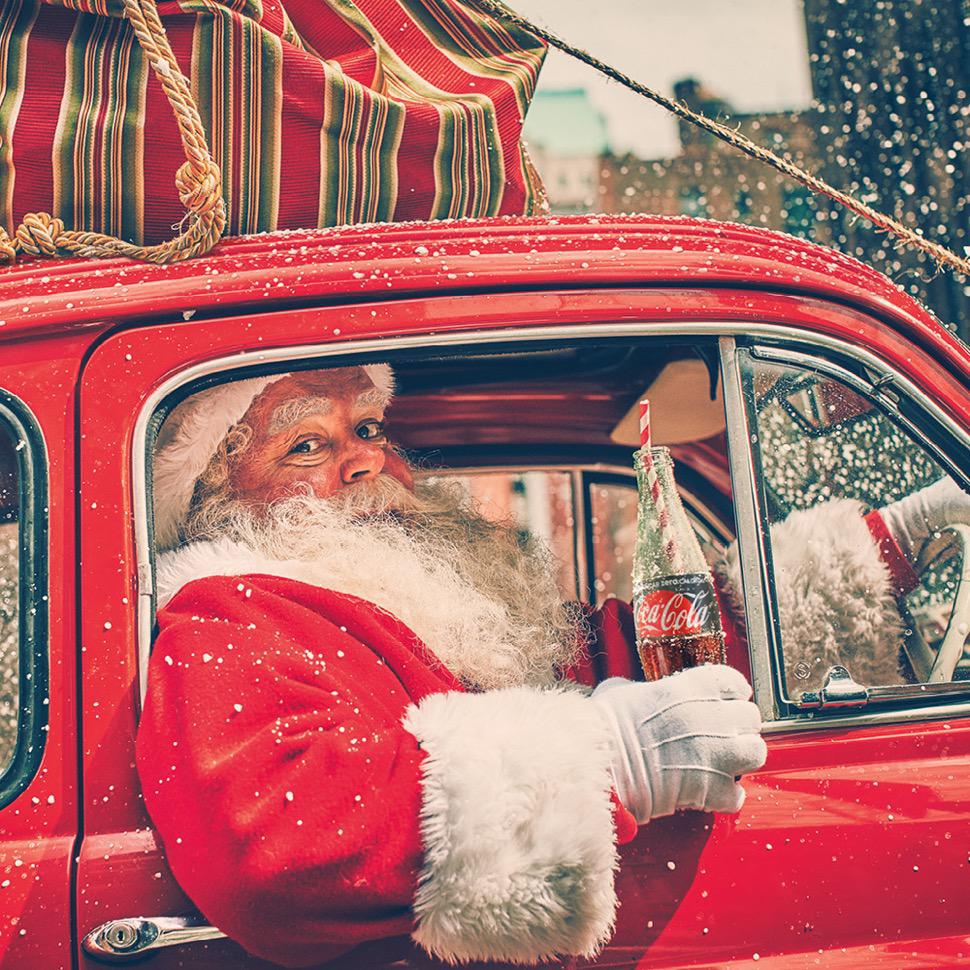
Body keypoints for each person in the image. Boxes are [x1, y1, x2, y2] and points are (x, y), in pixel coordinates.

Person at [138, 363, 964, 968]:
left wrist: (862, 558)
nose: (362, 462)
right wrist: (605, 757)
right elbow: (282, 842)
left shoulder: (375, 592)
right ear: (217, 490)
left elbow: (593, 657)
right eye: (308, 445)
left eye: (368, 429)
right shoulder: (228, 615)